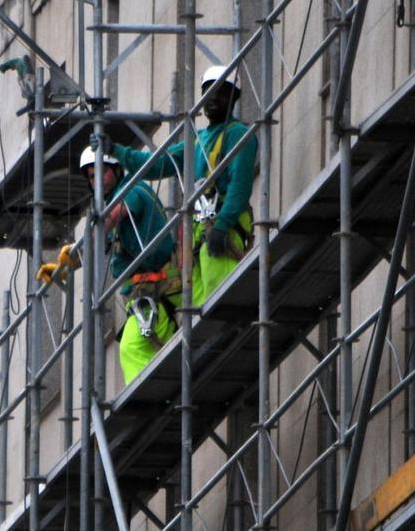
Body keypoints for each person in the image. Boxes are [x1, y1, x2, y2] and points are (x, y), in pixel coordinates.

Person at [110, 65, 257, 307]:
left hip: (223, 224)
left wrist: (222, 226)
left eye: (219, 92)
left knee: (218, 296)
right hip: (200, 227)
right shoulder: (198, 140)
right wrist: (116, 151)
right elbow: (155, 165)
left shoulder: (239, 134)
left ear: (234, 96)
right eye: (207, 91)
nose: (211, 98)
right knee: (198, 302)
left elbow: (239, 188)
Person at [37, 146, 179, 384]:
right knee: (141, 349)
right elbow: (103, 244)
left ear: (116, 170)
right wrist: (68, 265)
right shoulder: (118, 199)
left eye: (102, 172)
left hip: (159, 291)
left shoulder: (131, 189)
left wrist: (78, 248)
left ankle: (144, 400)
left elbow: (111, 219)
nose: (97, 181)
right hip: (150, 294)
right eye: (92, 177)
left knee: (132, 348)